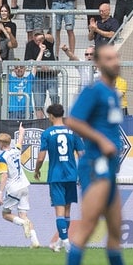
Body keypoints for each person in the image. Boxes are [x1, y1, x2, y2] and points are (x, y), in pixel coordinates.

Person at [63, 45, 131, 265]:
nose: (115, 61)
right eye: (109, 58)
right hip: (95, 165)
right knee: (88, 226)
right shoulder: (94, 91)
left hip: (110, 168)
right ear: (99, 64)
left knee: (115, 230)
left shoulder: (114, 94)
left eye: (117, 57)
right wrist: (102, 140)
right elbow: (71, 120)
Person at [34, 104, 85, 253]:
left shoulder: (47, 133)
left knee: (59, 211)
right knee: (67, 210)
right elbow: (82, 155)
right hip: (71, 175)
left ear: (50, 116)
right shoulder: (73, 132)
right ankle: (61, 242)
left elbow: (41, 157)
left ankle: (66, 242)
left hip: (56, 176)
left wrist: (37, 171)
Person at [0, 123, 41, 248]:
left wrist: (0, 193)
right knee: (24, 215)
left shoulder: (2, 158)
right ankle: (35, 241)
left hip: (13, 189)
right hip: (24, 187)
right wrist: (21, 131)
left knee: (5, 214)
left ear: (1, 143)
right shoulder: (16, 151)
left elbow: (4, 176)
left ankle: (22, 223)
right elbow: (20, 140)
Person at [25, 31, 58, 119]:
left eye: (39, 37)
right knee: (38, 102)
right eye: (35, 36)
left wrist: (42, 37)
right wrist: (40, 65)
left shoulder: (47, 42)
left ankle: (55, 118)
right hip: (38, 77)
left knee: (54, 95)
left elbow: (51, 38)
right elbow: (28, 60)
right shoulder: (30, 45)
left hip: (51, 76)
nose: (38, 39)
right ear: (33, 37)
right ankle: (40, 123)